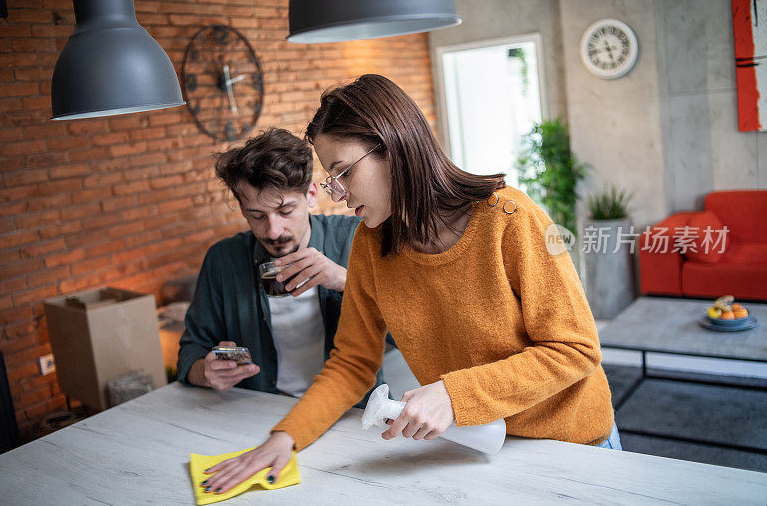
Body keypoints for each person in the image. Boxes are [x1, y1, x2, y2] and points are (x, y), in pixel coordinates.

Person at [199, 75, 618, 495]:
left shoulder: (509, 219)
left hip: (573, 447)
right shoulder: (371, 244)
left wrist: (454, 395)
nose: (338, 194)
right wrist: (284, 439)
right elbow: (352, 364)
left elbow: (575, 348)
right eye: (331, 179)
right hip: (478, 449)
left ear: (393, 146)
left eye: (344, 171)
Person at [177, 127, 383, 404]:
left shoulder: (357, 239)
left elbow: (407, 336)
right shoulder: (222, 260)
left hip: (352, 409)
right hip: (262, 410)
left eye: (285, 211)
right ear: (242, 209)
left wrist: (346, 282)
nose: (273, 231)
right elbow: (191, 351)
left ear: (311, 195)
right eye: (257, 215)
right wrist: (206, 371)